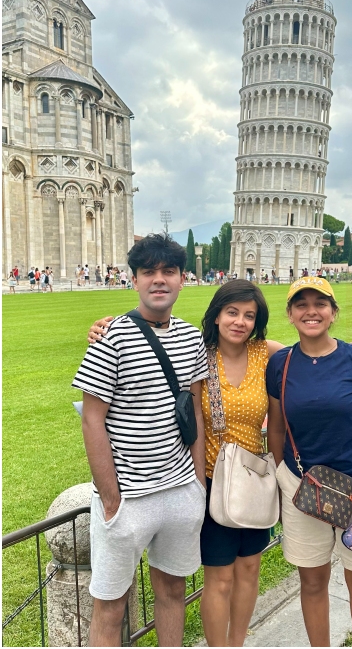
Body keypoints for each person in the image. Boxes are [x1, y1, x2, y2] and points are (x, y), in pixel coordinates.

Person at [88, 279, 352, 647]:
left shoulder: (267, 354)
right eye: (232, 312)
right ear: (217, 315)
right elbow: (153, 332)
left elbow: (314, 351)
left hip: (256, 481)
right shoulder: (195, 351)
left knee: (249, 570)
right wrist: (106, 325)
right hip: (212, 480)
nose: (239, 322)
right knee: (220, 578)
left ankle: (238, 642)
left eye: (249, 315)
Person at [73, 234, 207, 647]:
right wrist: (111, 498)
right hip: (128, 497)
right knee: (110, 606)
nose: (159, 280)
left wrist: (198, 483)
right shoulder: (111, 337)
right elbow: (92, 420)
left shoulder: (190, 337)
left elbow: (196, 410)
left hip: (180, 489)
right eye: (149, 272)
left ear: (183, 279)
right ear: (134, 280)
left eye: (168, 271)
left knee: (172, 593)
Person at [266, 276, 352, 647]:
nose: (312, 311)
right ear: (290, 315)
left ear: (333, 313)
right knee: (311, 584)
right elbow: (275, 429)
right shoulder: (280, 364)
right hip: (303, 489)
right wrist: (283, 474)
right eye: (302, 305)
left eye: (320, 304)